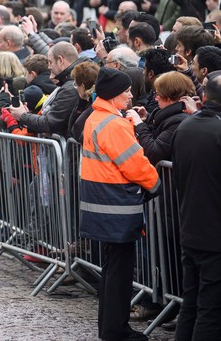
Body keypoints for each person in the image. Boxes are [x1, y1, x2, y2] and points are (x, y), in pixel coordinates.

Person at [79, 67, 160, 341]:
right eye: (125, 91)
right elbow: (135, 163)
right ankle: (115, 330)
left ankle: (111, 327)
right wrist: (155, 184)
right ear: (113, 94)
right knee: (119, 274)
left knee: (113, 270)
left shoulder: (98, 117)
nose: (129, 95)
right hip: (117, 206)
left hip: (104, 204)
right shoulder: (112, 123)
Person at [172, 70, 221, 340]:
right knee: (210, 309)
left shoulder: (186, 126)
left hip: (190, 227)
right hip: (213, 235)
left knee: (190, 302)